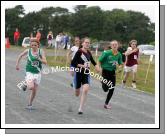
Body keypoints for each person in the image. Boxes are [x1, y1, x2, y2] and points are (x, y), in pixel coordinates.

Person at [16, 38, 47, 109]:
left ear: (38, 45)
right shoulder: (28, 51)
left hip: (38, 73)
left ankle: (30, 104)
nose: (33, 46)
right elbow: (20, 56)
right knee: (31, 87)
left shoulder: (41, 52)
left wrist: (39, 59)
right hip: (29, 71)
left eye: (35, 45)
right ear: (30, 45)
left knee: (34, 90)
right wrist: (17, 64)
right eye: (32, 45)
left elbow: (45, 62)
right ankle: (25, 82)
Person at [71, 37, 99, 114]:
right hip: (78, 73)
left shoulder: (89, 53)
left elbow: (93, 61)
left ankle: (80, 108)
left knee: (86, 89)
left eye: (88, 43)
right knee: (77, 93)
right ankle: (76, 87)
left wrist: (97, 66)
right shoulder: (79, 52)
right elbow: (73, 63)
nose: (87, 44)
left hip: (86, 73)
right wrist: (81, 66)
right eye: (86, 42)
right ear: (82, 43)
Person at [97, 40, 123, 109]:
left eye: (116, 44)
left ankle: (106, 104)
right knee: (105, 89)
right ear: (111, 46)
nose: (114, 46)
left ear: (118, 46)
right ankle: (102, 81)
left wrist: (120, 67)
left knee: (112, 88)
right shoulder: (106, 53)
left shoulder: (119, 54)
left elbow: (120, 63)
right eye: (113, 44)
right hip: (105, 72)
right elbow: (99, 60)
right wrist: (99, 68)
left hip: (112, 73)